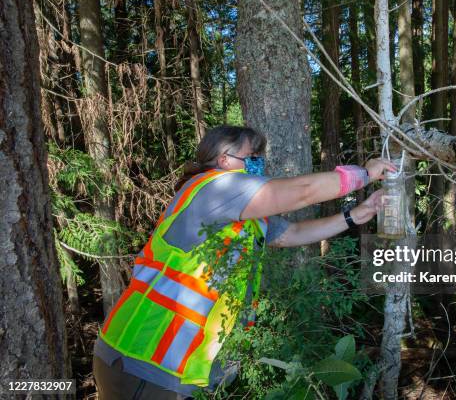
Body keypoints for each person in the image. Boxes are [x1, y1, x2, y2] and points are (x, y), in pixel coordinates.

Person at [93, 125, 396, 399]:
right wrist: (364, 174)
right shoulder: (214, 188)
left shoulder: (243, 214)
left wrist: (356, 214)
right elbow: (302, 193)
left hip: (176, 371)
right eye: (251, 156)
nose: (258, 163)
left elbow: (292, 233)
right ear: (223, 160)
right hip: (142, 359)